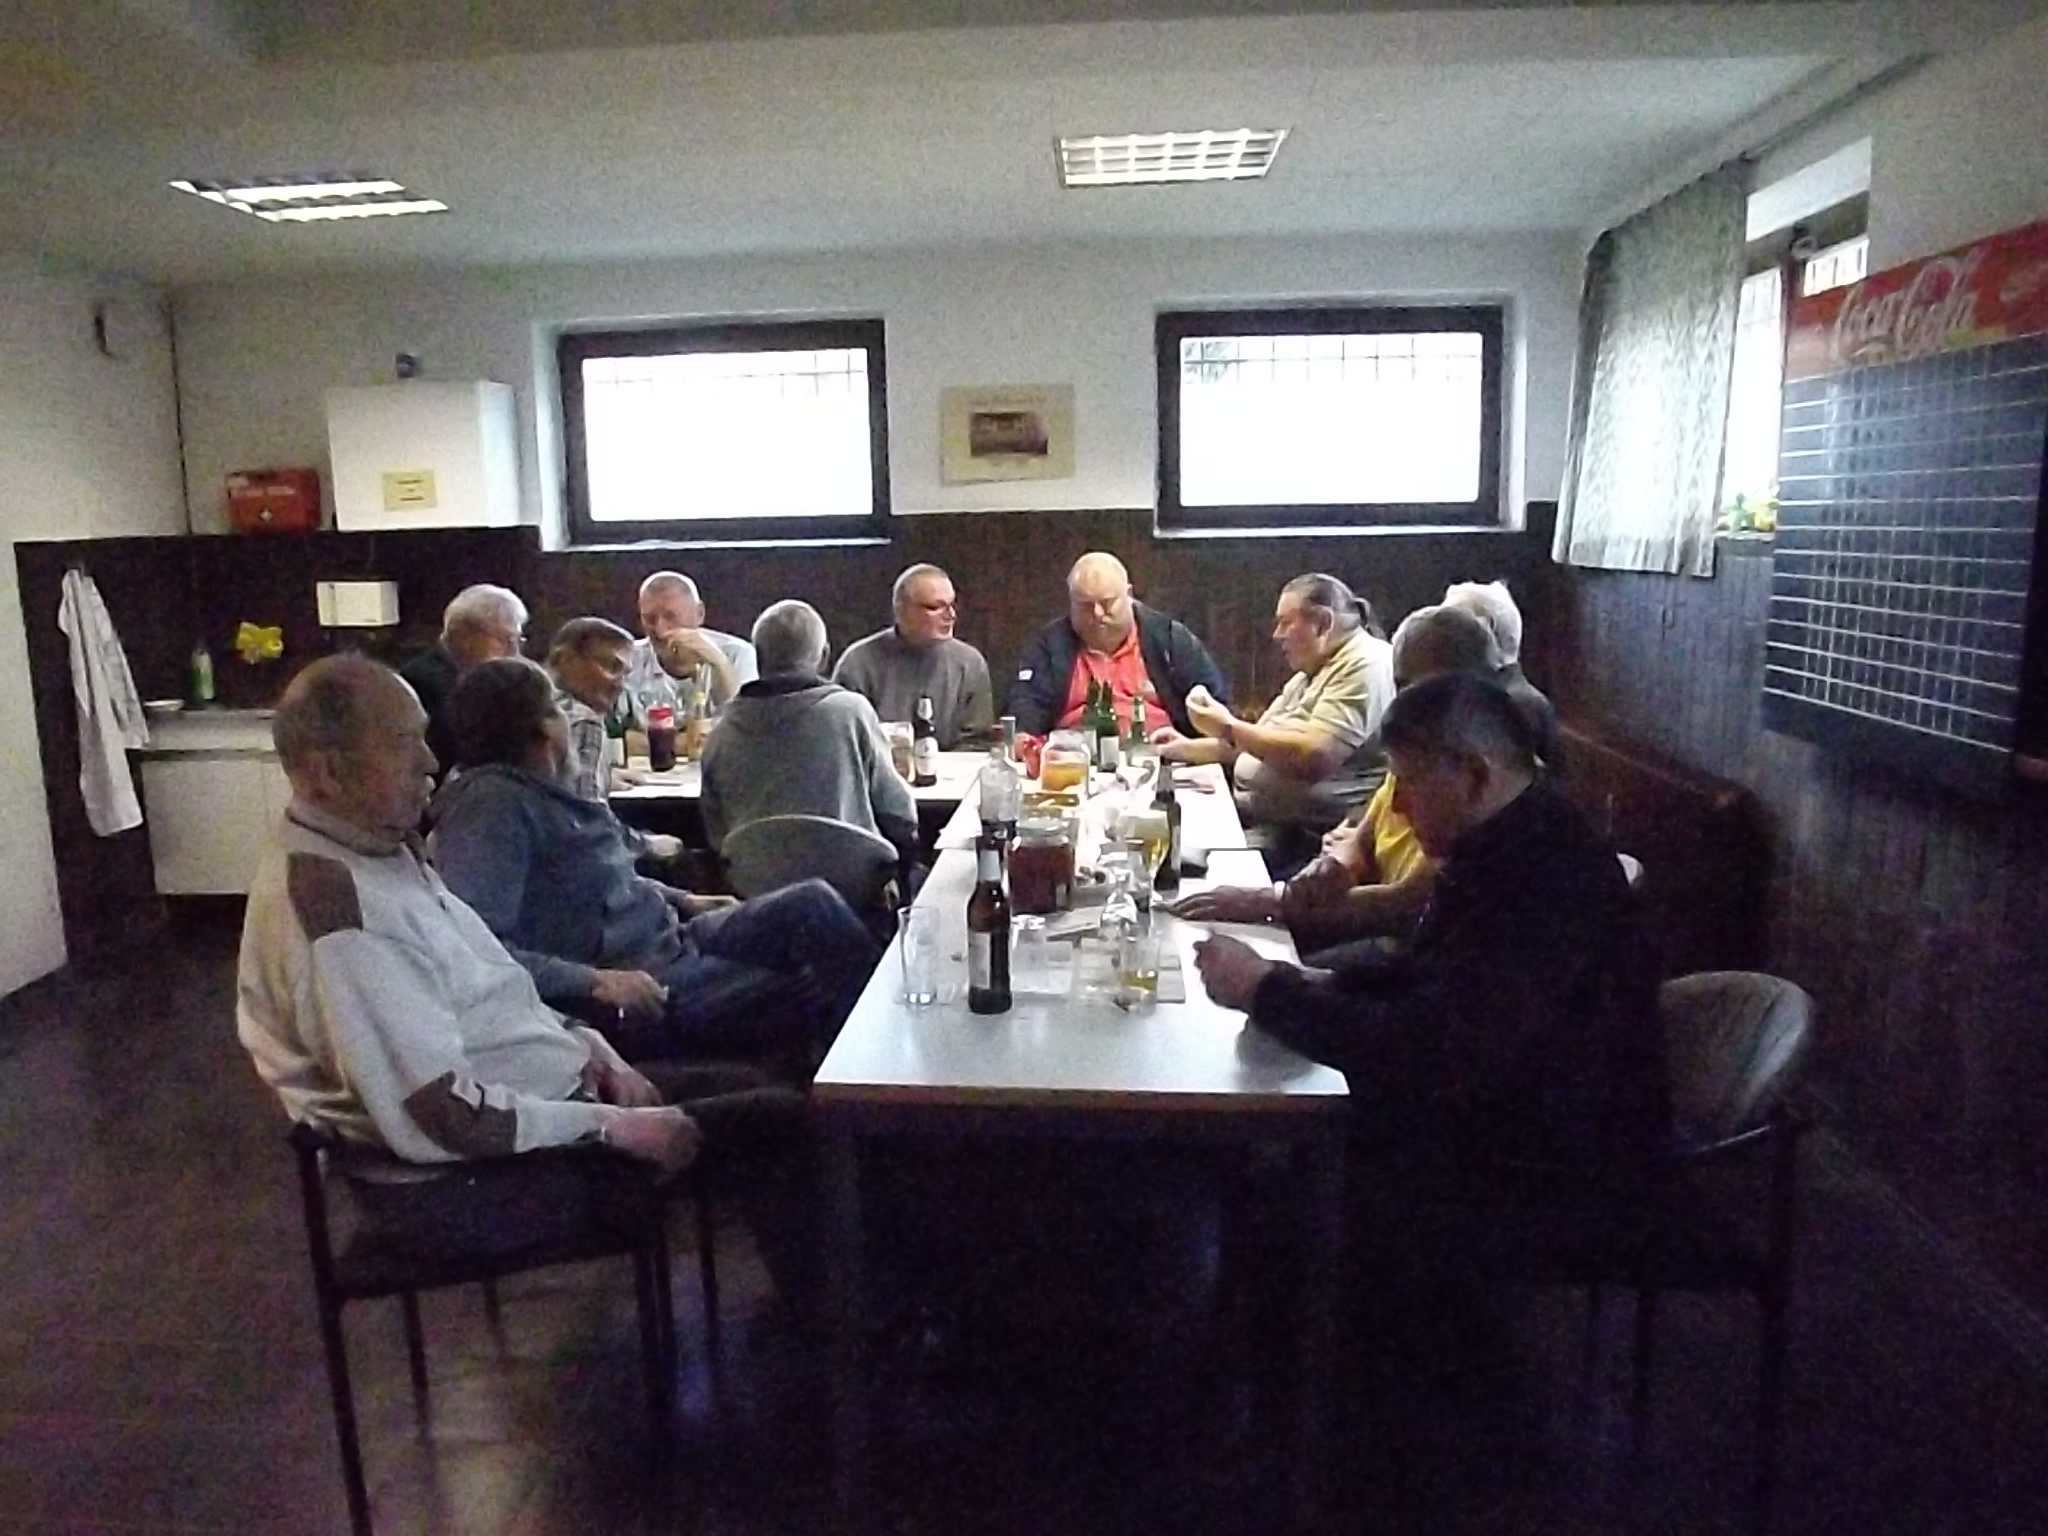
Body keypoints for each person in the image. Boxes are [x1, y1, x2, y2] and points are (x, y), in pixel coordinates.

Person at [234, 656, 813, 1289]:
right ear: (327, 771)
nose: (430, 761)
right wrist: (610, 1125)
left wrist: (587, 1044)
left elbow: (492, 981)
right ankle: (825, 1332)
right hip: (464, 1190)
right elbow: (444, 1115)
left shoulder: (373, 852)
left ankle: (813, 1316)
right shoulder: (340, 913)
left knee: (761, 1091)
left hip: (535, 1118)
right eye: (405, 743)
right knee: (791, 1124)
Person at [1192, 671, 1665, 1178]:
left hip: (1535, 1175)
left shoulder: (1548, 876)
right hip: (1497, 1130)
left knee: (1230, 1162)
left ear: (1475, 776)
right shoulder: (1513, 835)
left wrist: (1264, 989)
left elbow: (1425, 1052)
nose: (1396, 805)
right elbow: (1432, 975)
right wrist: (1313, 980)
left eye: (1408, 782)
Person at [428, 657, 878, 1079]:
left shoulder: (538, 792)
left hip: (671, 937)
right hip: (643, 985)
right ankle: (862, 1099)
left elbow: (600, 881)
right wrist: (593, 981)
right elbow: (478, 949)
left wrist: (684, 898)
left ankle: (869, 1075)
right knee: (811, 985)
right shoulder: (490, 808)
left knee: (812, 903)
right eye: (558, 707)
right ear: (544, 729)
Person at [1171, 603, 1503, 948]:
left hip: (1394, 943)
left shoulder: (1467, 768)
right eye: (1399, 684)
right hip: (1349, 893)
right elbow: (1363, 833)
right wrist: (1338, 862)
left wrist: (1274, 903)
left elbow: (1405, 905)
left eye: (1413, 685)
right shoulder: (1420, 742)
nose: (1400, 699)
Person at [1151, 573, 1394, 841]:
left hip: (1308, 835)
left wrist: (1227, 726)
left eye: (1285, 623)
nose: (1277, 635)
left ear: (1323, 623)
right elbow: (1254, 745)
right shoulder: (1311, 672)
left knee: (1179, 849)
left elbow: (1315, 756)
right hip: (1262, 819)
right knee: (1163, 826)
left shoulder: (1366, 663)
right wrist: (1182, 747)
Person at [701, 599, 920, 865]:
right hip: (850, 878)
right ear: (824, 657)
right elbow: (898, 812)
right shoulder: (849, 713)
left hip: (756, 883)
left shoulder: (721, 732)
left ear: (759, 658)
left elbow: (716, 833)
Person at [1009, 551, 1226, 739]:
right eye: (1085, 605)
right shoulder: (1048, 646)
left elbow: (1215, 708)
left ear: (1129, 595)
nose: (1097, 614)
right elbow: (1025, 712)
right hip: (1077, 759)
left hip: (1163, 756)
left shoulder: (1170, 638)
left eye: (1107, 603)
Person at [547, 616, 684, 863]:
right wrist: (646, 844)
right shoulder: (583, 719)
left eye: (625, 673)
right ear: (564, 660)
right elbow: (589, 824)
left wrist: (604, 777)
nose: (619, 684)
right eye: (610, 666)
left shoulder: (534, 707)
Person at [831, 563, 994, 748]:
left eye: (952, 605)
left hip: (954, 765)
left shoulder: (970, 664)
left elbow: (977, 742)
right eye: (935, 607)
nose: (951, 615)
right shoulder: (858, 664)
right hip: (878, 763)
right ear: (901, 610)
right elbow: (843, 739)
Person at [397, 584, 527, 780]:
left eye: (518, 640)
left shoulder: (489, 683)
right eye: (504, 639)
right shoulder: (424, 682)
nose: (514, 652)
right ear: (463, 635)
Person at [1441, 578, 1560, 771]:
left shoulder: (1515, 707)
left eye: (1448, 626)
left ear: (1485, 631)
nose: (1438, 638)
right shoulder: (1490, 697)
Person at [625, 569, 758, 719]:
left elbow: (746, 722)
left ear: (699, 613)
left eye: (671, 616)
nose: (660, 631)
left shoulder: (738, 654)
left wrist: (719, 663)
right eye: (649, 619)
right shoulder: (628, 660)